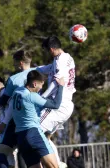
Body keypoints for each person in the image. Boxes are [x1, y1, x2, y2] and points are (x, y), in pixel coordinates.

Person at [11, 70, 64, 168]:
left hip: (21, 138)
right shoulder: (32, 96)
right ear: (34, 84)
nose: (41, 89)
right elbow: (56, 105)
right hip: (33, 133)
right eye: (41, 85)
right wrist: (61, 86)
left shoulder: (16, 92)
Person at [37, 36, 76, 165]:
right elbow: (48, 69)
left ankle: (57, 165)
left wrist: (42, 98)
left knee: (34, 129)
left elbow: (56, 83)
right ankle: (59, 164)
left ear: (52, 49)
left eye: (48, 50)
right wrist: (33, 69)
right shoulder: (67, 58)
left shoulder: (60, 61)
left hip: (58, 105)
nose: (48, 53)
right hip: (66, 105)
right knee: (46, 137)